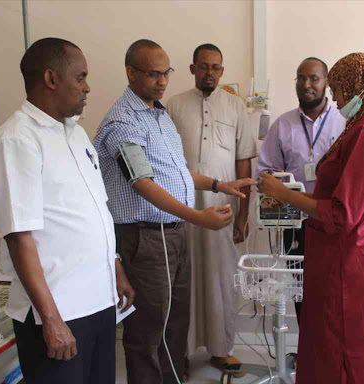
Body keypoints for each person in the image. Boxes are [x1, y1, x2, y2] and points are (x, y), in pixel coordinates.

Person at [93, 39, 256, 384]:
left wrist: (218, 185)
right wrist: (197, 218)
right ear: (131, 73)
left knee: (174, 325)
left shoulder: (159, 115)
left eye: (165, 73)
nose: (162, 81)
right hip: (145, 238)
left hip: (173, 235)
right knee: (148, 332)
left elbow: (179, 171)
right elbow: (141, 181)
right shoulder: (123, 122)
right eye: (153, 74)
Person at [259, 52, 364, 384]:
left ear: (356, 87)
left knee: (357, 350)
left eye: (337, 89)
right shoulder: (362, 126)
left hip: (355, 259)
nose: (335, 99)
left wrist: (284, 194)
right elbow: (334, 201)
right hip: (349, 252)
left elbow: (342, 213)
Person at [0, 38, 135, 384]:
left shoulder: (77, 136)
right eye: (80, 77)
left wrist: (115, 268)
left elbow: (94, 211)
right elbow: (19, 237)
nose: (87, 87)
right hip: (57, 313)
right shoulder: (16, 141)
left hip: (98, 303)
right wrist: (51, 319)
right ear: (52, 79)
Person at [167, 43, 256, 375]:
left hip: (223, 206)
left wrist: (244, 215)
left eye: (216, 67)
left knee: (222, 278)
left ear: (222, 70)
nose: (209, 73)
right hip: (183, 206)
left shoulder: (236, 107)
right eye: (203, 67)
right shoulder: (173, 106)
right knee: (183, 279)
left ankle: (222, 349)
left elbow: (243, 161)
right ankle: (182, 352)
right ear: (192, 69)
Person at [257, 57, 345, 322]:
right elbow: (264, 171)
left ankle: (329, 358)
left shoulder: (344, 123)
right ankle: (307, 355)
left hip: (332, 220)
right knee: (300, 291)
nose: (306, 84)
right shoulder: (282, 125)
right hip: (294, 223)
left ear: (326, 82)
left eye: (313, 78)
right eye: (300, 78)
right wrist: (272, 181)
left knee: (333, 289)